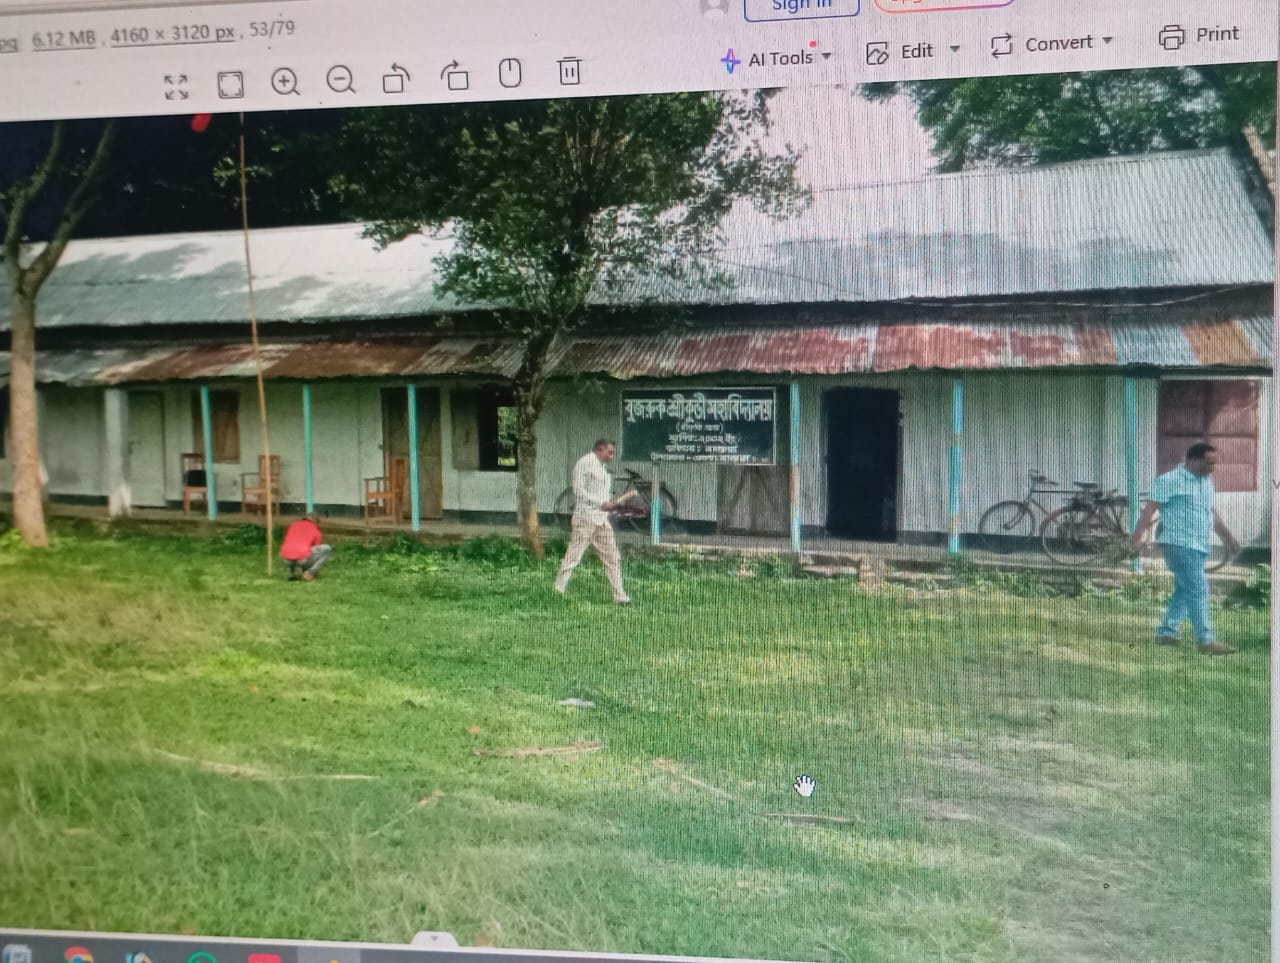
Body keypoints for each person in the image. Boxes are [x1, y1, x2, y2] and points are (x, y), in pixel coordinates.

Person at [1130, 442, 1240, 655]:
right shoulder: (1170, 480)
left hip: (1199, 545)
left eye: (1215, 464)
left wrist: (1228, 537)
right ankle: (1205, 641)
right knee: (1199, 589)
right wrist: (1137, 538)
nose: (1212, 468)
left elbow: (1211, 513)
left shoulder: (1207, 482)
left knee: (1184, 589)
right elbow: (1149, 510)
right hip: (1179, 545)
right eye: (1209, 463)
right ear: (1193, 460)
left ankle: (1167, 632)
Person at [554, 439, 631, 604]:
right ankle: (558, 590)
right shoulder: (584, 463)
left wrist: (609, 507)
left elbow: (602, 494)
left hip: (601, 520)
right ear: (600, 449)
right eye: (609, 452)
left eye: (613, 453)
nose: (611, 456)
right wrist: (600, 503)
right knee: (573, 556)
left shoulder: (602, 468)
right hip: (585, 519)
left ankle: (620, 596)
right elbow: (578, 491)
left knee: (612, 557)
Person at [281, 512, 333, 582]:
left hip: (286, 559)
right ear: (315, 521)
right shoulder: (315, 530)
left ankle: (291, 573)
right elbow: (315, 548)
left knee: (295, 549)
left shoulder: (293, 525)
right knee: (327, 549)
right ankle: (310, 572)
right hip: (302, 559)